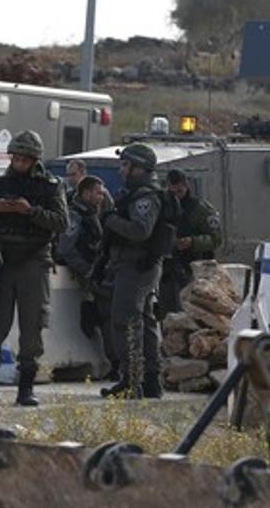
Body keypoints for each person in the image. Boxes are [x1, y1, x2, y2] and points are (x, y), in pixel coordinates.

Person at [0, 130, 67, 406]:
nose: (19, 163)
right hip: (3, 263)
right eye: (16, 158)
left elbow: (61, 222)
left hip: (33, 261)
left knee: (31, 327)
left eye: (24, 159)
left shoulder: (49, 186)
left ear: (34, 160)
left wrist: (29, 211)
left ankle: (25, 388)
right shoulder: (0, 184)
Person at [100, 143, 173, 400]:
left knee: (125, 322)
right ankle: (150, 381)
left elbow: (141, 231)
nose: (122, 170)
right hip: (137, 266)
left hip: (137, 266)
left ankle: (131, 380)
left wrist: (110, 220)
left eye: (126, 165)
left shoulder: (145, 196)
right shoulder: (139, 193)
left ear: (138, 168)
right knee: (145, 322)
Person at [56, 175, 114, 377]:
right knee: (106, 315)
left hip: (99, 271)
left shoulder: (93, 214)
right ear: (86, 193)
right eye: (97, 193)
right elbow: (66, 248)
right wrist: (87, 270)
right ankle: (114, 363)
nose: (101, 197)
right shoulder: (75, 215)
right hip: (89, 274)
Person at [158, 169, 221, 319]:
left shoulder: (200, 209)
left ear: (186, 185)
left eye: (180, 185)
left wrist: (193, 242)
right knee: (168, 316)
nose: (177, 189)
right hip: (167, 270)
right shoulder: (162, 207)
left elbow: (215, 238)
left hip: (192, 270)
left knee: (191, 316)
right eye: (173, 186)